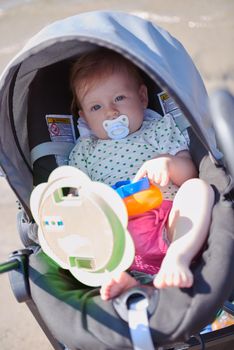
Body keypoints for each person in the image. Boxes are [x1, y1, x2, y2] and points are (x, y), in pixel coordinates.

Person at [68, 47, 214, 300]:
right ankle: (126, 279)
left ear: (142, 97)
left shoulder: (158, 129)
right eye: (96, 107)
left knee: (198, 189)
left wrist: (168, 163)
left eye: (120, 98)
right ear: (84, 118)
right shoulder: (84, 152)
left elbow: (189, 173)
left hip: (170, 221)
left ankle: (177, 256)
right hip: (116, 233)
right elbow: (73, 190)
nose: (111, 112)